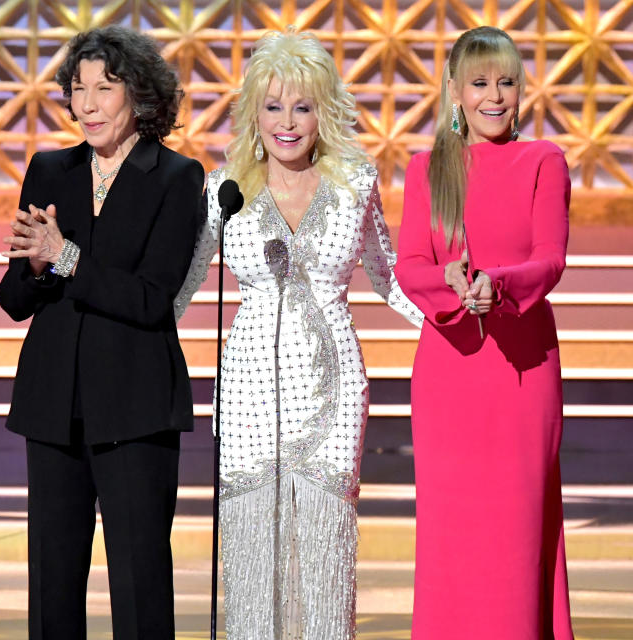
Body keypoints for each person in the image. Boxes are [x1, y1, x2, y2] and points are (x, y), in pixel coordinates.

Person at [174, 28, 422, 640]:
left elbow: (389, 279)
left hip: (335, 385)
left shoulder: (355, 184)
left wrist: (460, 318)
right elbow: (181, 284)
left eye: (303, 106)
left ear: (323, 113)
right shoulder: (225, 188)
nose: (288, 121)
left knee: (325, 540)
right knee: (254, 536)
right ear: (254, 112)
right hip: (249, 386)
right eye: (274, 105)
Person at [0, 26, 204, 640]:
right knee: (52, 586)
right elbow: (11, 299)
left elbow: (151, 297)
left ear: (140, 96)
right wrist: (36, 270)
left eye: (103, 89)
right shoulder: (50, 170)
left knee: (139, 585)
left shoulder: (176, 177)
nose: (86, 104)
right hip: (53, 405)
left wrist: (66, 260)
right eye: (77, 89)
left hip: (136, 409)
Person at [394, 26, 574, 640]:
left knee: (518, 529)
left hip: (521, 370)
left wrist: (497, 284)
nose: (494, 97)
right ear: (454, 91)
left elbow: (551, 258)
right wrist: (451, 284)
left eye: (506, 83)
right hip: (449, 375)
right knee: (452, 533)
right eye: (479, 83)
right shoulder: (426, 169)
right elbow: (410, 265)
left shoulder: (543, 161)